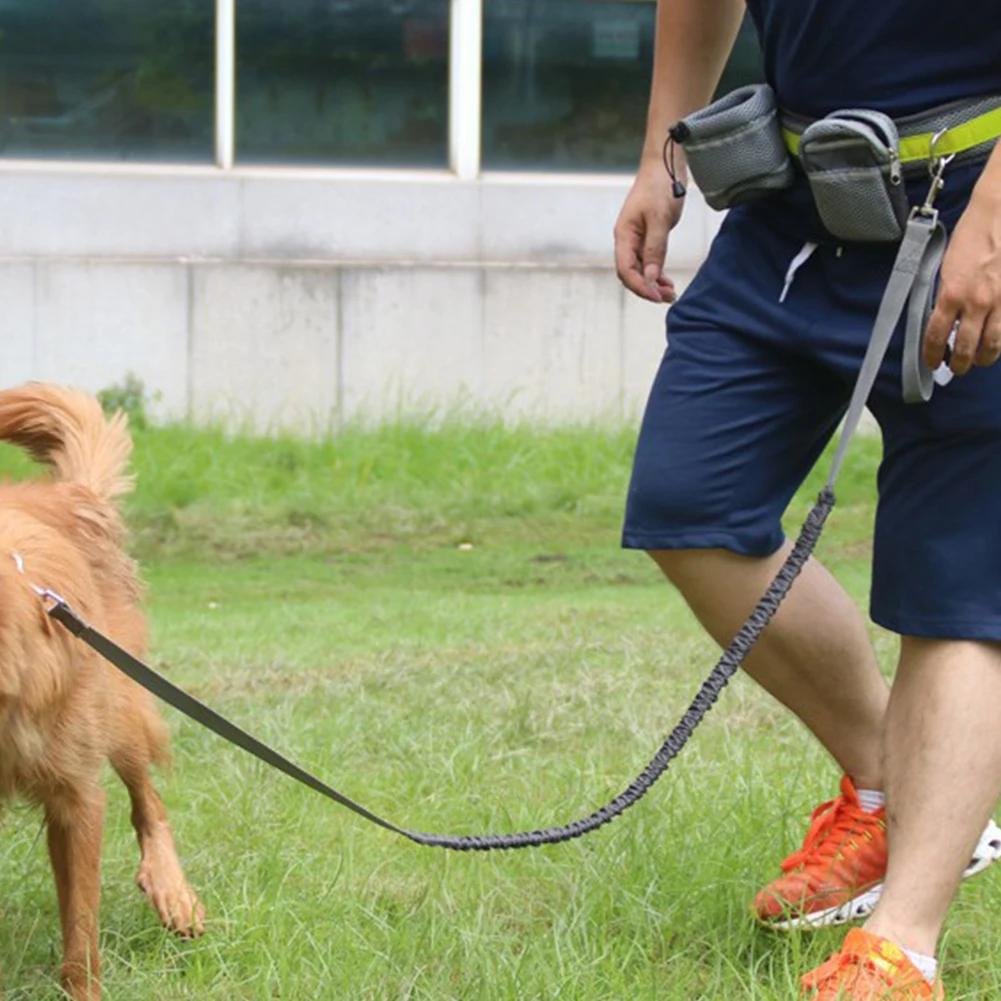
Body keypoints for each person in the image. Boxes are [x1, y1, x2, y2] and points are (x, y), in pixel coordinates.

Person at [614, 2, 1001, 998]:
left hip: (973, 188)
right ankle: (891, 783)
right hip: (797, 188)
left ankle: (900, 943)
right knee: (686, 497)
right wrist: (663, 154)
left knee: (957, 583)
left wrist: (995, 214)